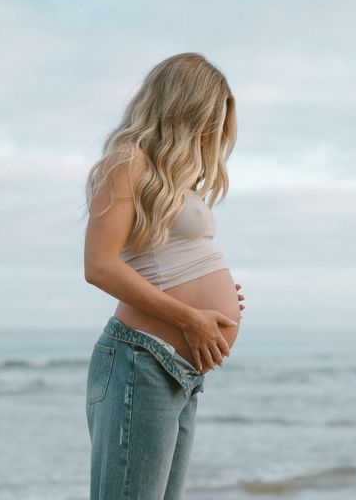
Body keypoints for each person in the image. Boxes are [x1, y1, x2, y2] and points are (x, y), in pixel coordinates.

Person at [83, 52, 245, 499]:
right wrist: (190, 317)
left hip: (179, 371)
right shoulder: (127, 159)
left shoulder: (171, 179)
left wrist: (212, 300)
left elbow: (169, 259)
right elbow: (99, 266)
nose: (212, 134)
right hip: (142, 359)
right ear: (185, 106)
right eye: (210, 119)